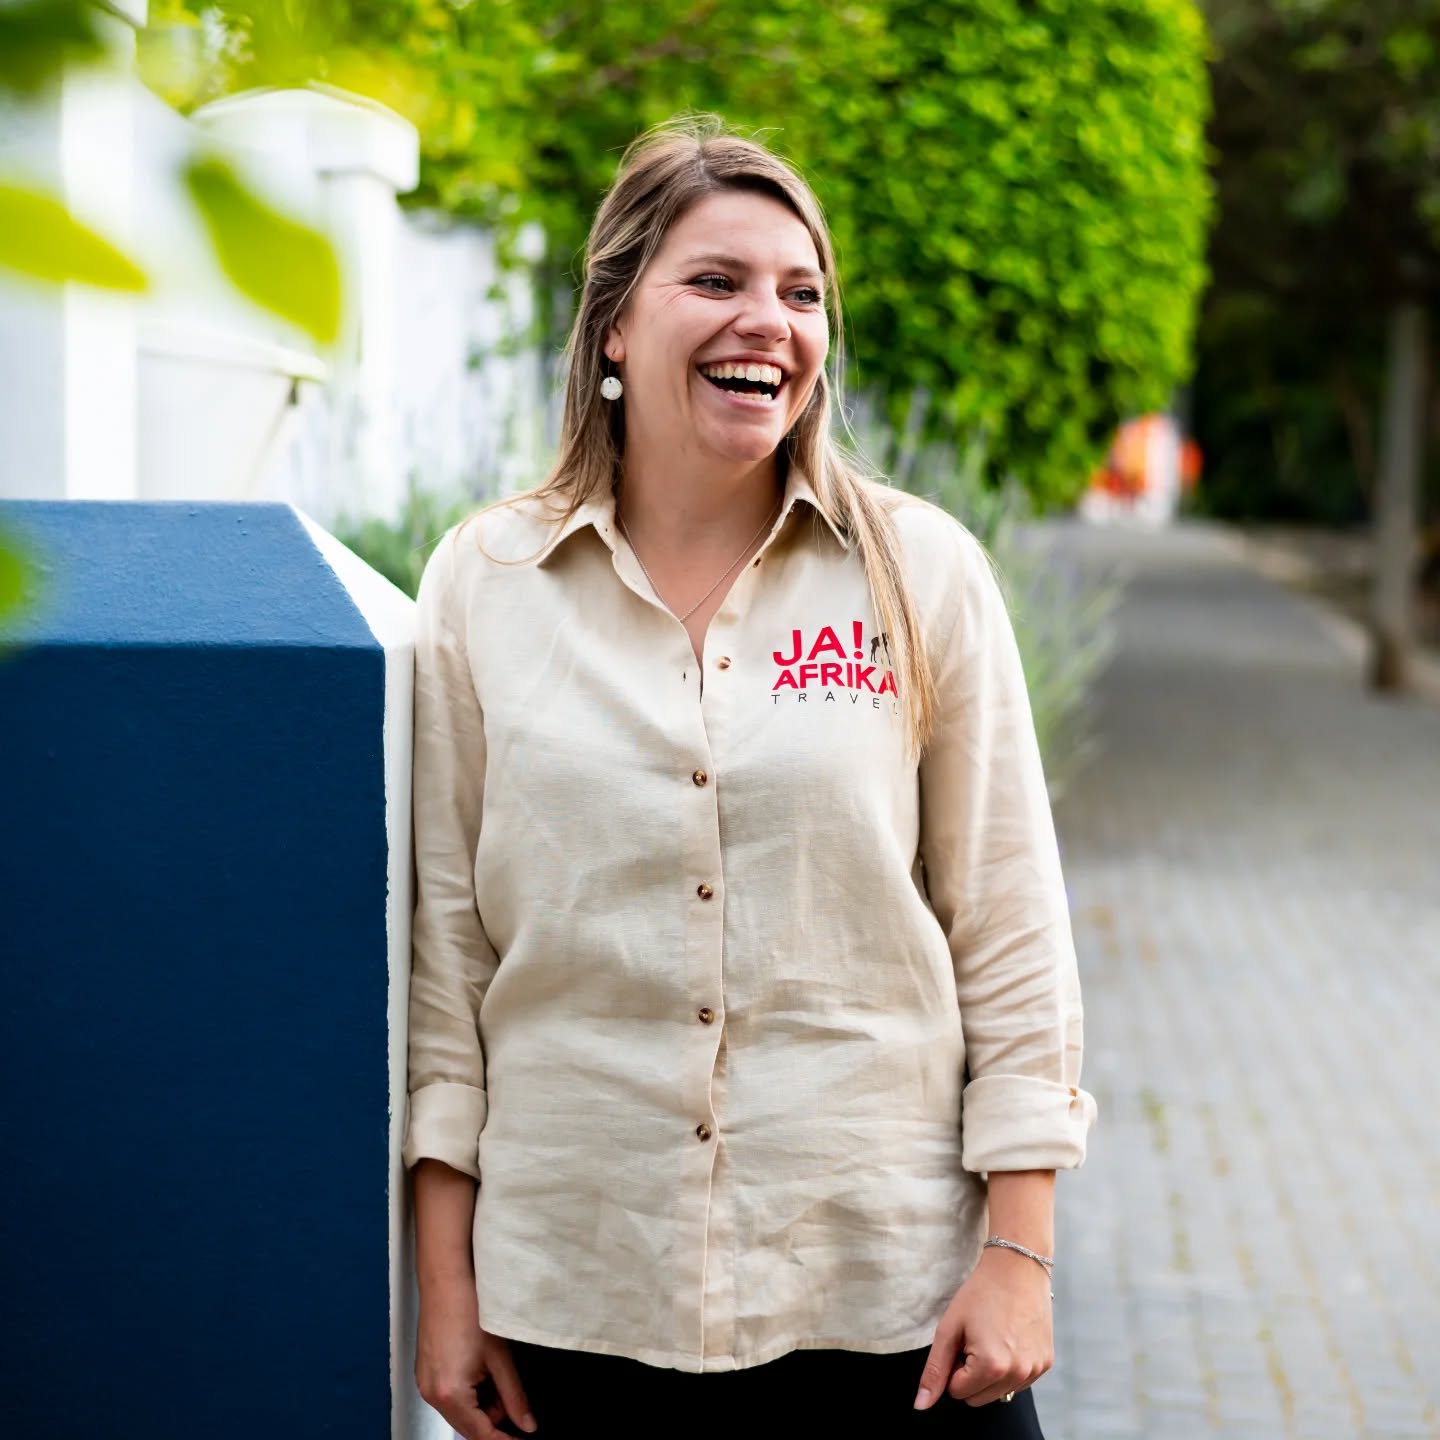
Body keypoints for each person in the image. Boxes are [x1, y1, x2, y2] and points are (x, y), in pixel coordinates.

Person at [402, 115, 1098, 1440]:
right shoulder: (483, 586)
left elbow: (1007, 922)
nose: (766, 322)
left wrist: (1020, 1254)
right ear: (613, 322)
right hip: (581, 1302)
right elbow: (448, 962)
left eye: (801, 292)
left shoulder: (923, 573)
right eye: (715, 282)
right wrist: (446, 1286)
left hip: (889, 1303)